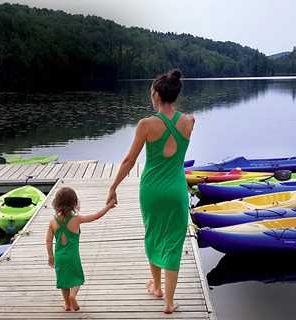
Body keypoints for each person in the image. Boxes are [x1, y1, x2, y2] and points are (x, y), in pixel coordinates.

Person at [106, 69, 194, 314]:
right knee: (174, 241)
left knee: (154, 233)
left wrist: (113, 187)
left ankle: (156, 287)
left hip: (152, 189)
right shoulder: (189, 122)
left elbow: (128, 161)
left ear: (155, 94)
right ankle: (168, 302)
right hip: (176, 189)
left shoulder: (146, 125)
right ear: (175, 94)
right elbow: (184, 124)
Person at [46, 186, 116, 311]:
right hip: (73, 256)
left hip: (59, 257)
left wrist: (51, 256)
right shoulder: (76, 219)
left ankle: (67, 304)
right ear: (74, 203)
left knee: (63, 281)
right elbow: (96, 216)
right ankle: (73, 296)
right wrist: (108, 206)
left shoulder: (52, 221)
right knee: (77, 278)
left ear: (56, 203)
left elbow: (48, 241)